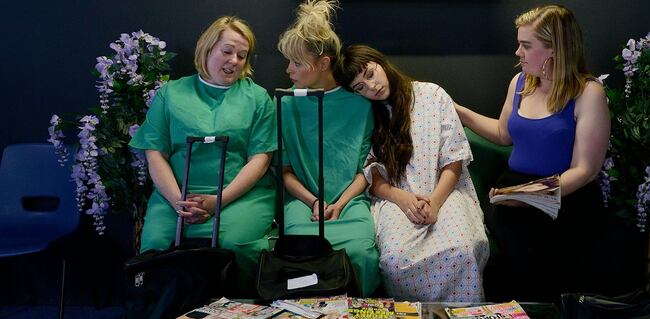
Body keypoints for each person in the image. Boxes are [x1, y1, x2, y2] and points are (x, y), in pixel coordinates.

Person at [455, 5, 610, 302]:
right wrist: (458, 111)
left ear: (556, 50)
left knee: (542, 264)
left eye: (526, 46)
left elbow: (585, 169)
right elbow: (503, 134)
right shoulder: (520, 83)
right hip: (514, 189)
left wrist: (530, 194)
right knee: (508, 251)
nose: (517, 53)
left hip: (564, 196)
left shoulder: (588, 93)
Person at [129, 16, 278, 293]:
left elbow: (260, 159)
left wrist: (217, 202)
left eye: (242, 55)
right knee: (156, 243)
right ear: (207, 49)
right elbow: (155, 153)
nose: (234, 60)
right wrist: (177, 201)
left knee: (235, 242)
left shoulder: (257, 98)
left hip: (240, 196)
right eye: (227, 51)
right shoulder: (171, 94)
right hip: (176, 195)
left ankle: (242, 315)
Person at [337, 45, 489, 302]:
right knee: (396, 260)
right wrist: (402, 198)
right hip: (395, 198)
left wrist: (435, 202)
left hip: (445, 190)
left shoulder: (432, 94)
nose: (371, 87)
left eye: (371, 74)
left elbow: (454, 161)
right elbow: (372, 176)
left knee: (463, 249)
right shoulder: (368, 116)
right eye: (360, 87)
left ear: (381, 63)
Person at [276, 0, 380, 295]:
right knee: (301, 252)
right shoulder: (287, 103)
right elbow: (284, 172)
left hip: (351, 202)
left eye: (297, 63)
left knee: (360, 253)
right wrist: (313, 202)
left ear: (323, 63)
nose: (288, 69)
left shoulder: (360, 103)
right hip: (303, 204)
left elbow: (366, 168)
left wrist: (341, 202)